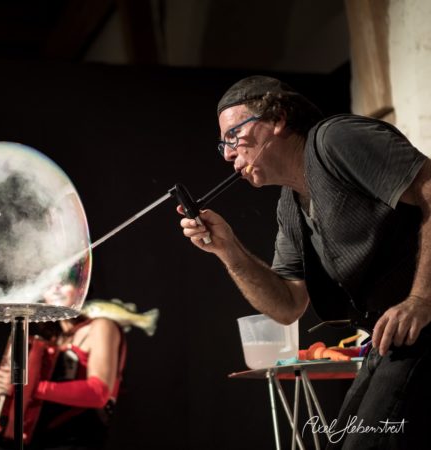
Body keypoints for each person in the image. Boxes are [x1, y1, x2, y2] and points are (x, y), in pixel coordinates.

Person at [179, 75, 430, 449]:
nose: (228, 154)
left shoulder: (336, 139)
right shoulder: (290, 205)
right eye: (223, 144)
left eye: (234, 136)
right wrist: (227, 249)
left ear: (278, 119)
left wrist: (421, 299)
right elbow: (287, 305)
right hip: (393, 337)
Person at [0, 293, 158, 450]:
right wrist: (7, 391)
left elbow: (99, 392)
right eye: (50, 284)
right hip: (39, 438)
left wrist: (26, 387)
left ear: (82, 286)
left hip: (77, 439)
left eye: (65, 281)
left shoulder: (101, 326)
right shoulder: (54, 338)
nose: (56, 288)